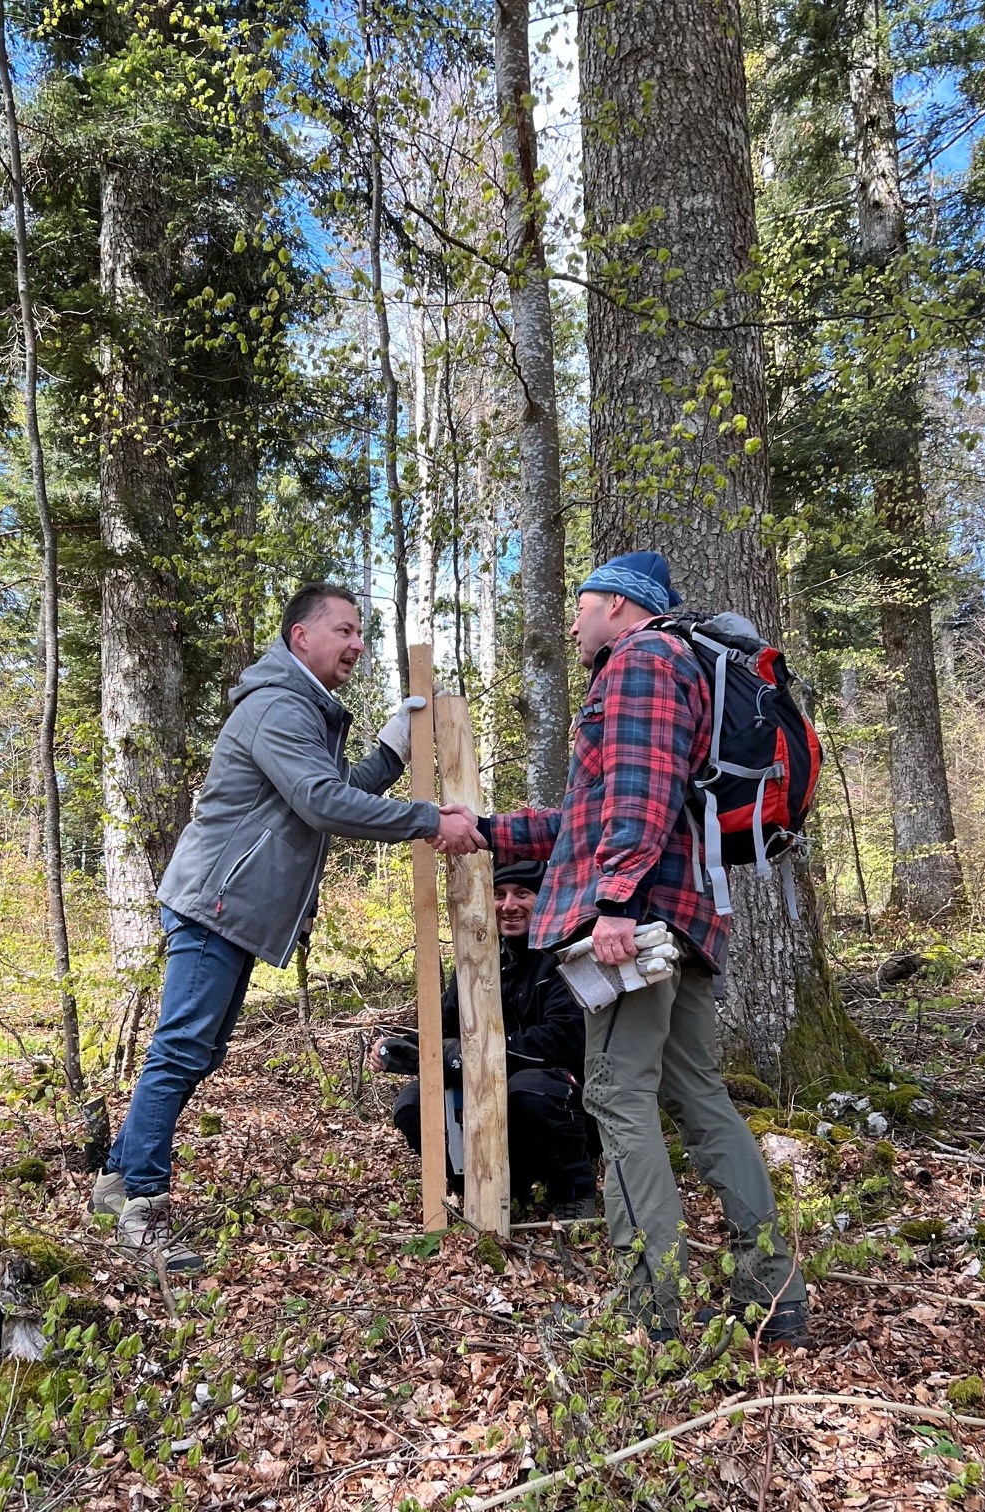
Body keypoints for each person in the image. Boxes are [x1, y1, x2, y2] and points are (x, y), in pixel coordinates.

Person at [452, 551, 806, 1344]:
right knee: (700, 1096)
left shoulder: (642, 660)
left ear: (616, 604)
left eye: (581, 605)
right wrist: (482, 831)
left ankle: (651, 1310)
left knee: (617, 1096)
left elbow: (638, 800)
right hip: (678, 918)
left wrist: (612, 904)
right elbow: (586, 816)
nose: (573, 622)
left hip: (636, 926)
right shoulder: (667, 667)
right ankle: (773, 1286)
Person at [93, 583, 484, 1269]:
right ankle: (142, 1210)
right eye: (343, 630)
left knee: (198, 1050)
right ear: (301, 637)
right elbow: (321, 801)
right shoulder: (278, 705)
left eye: (360, 632)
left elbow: (332, 789)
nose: (357, 643)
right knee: (182, 1048)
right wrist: (430, 821)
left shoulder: (301, 708)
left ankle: (118, 1180)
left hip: (232, 909)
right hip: (215, 902)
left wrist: (392, 749)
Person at [370, 861, 599, 1219]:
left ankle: (572, 1191)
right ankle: (474, 1189)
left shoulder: (563, 957)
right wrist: (405, 1049)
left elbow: (566, 1038)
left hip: (564, 1098)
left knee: (527, 1089)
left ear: (542, 901)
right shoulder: (474, 958)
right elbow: (444, 1030)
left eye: (522, 894)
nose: (509, 905)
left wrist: (479, 1052)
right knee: (413, 1102)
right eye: (499, 895)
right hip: (482, 1089)